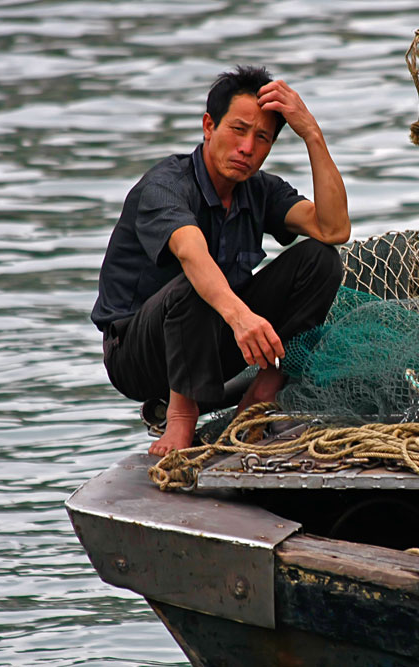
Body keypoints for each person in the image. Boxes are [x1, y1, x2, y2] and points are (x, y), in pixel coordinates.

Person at [91, 65, 350, 456]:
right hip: (139, 355)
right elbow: (190, 252)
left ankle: (261, 395)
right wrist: (242, 317)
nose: (247, 148)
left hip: (216, 339)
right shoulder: (165, 186)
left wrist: (311, 132)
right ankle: (180, 418)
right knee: (194, 283)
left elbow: (333, 229)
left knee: (321, 259)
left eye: (262, 138)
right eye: (238, 130)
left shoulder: (259, 190)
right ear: (209, 126)